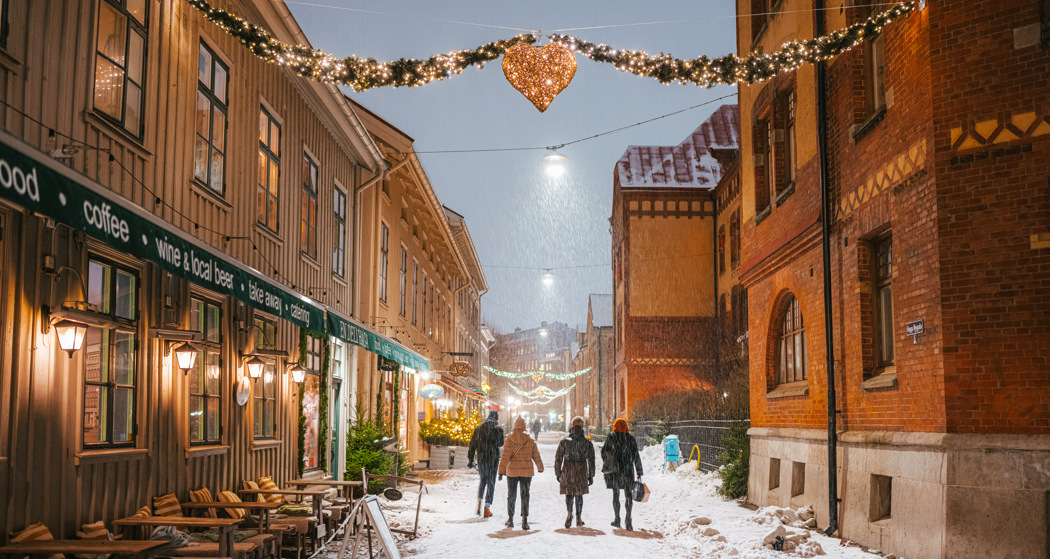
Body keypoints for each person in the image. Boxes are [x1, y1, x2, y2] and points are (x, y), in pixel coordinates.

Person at [498, 416, 544, 530]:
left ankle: (511, 519)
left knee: (511, 495)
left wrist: (501, 471)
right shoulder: (530, 440)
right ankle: (524, 520)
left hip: (512, 471)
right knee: (525, 495)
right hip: (526, 472)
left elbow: (505, 456)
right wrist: (540, 467)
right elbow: (536, 455)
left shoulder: (509, 440)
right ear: (524, 427)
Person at [601, 418, 643, 531]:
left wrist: (608, 460)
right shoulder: (630, 438)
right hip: (628, 470)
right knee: (628, 495)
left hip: (615, 471)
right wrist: (639, 471)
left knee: (616, 495)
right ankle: (628, 519)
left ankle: (617, 519)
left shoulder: (611, 437)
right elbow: (636, 456)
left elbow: (603, 451)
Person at [554, 416, 595, 528]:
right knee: (579, 494)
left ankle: (569, 512)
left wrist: (558, 472)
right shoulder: (587, 442)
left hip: (568, 470)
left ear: (572, 426)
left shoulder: (565, 441)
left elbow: (558, 458)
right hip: (581, 471)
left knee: (569, 493)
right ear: (582, 426)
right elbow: (591, 460)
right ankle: (578, 517)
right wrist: (591, 475)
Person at [467, 410, 503, 518]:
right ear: (496, 418)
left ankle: (479, 502)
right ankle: (487, 508)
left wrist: (471, 459)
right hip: (493, 459)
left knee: (483, 481)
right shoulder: (498, 430)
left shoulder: (478, 429)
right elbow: (501, 443)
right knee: (491, 482)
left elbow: (472, 445)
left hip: (482, 458)